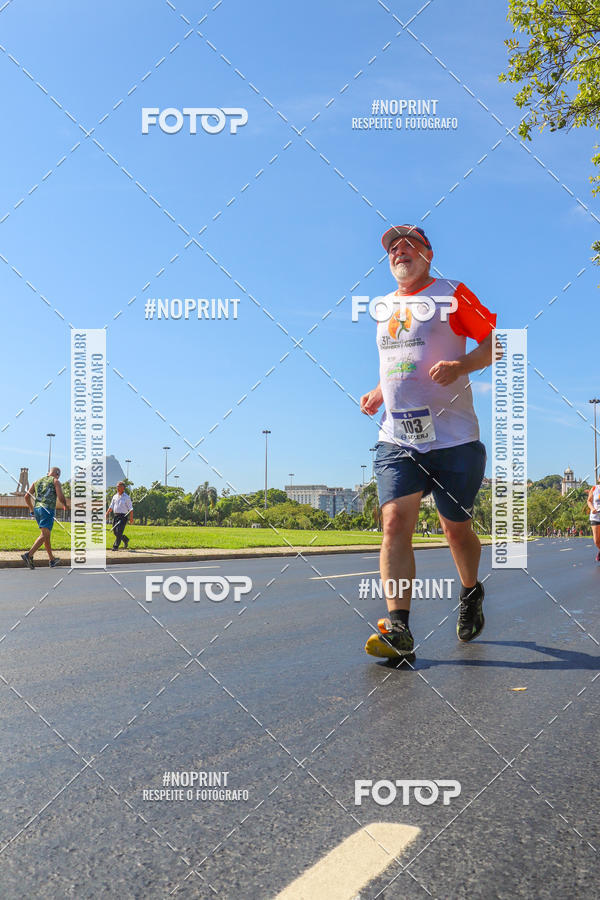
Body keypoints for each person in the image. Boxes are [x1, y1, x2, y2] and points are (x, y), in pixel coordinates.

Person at [360, 225, 497, 662]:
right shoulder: (383, 308)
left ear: (428, 253)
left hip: (454, 439)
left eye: (409, 244)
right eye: (393, 248)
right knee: (395, 522)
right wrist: (380, 392)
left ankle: (471, 590)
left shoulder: (452, 292)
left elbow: (496, 342)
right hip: (398, 437)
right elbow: (399, 361)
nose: (400, 251)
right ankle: (398, 626)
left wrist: (461, 365)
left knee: (454, 530)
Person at [21, 466, 66, 568]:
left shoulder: (37, 481)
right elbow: (60, 497)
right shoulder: (55, 481)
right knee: (45, 535)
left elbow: (26, 496)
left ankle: (51, 559)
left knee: (46, 535)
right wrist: (65, 504)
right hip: (47, 509)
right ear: (57, 474)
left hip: (37, 509)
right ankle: (29, 555)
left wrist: (31, 509)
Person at [106, 481, 133, 550]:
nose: (117, 488)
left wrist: (131, 518)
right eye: (117, 486)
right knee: (115, 532)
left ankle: (115, 546)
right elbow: (111, 506)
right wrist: (107, 513)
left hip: (123, 516)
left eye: (119, 486)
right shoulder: (115, 496)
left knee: (119, 531)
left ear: (123, 488)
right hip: (116, 516)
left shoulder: (127, 497)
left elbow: (131, 509)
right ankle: (125, 539)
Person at [586, 483, 600, 561]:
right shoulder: (594, 488)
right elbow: (589, 501)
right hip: (595, 517)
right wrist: (592, 508)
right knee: (596, 541)